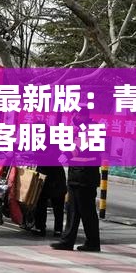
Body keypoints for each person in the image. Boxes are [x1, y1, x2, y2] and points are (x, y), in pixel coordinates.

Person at [50, 107, 101, 252]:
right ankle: (67, 241)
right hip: (75, 175)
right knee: (72, 210)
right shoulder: (78, 129)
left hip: (86, 177)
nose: (75, 118)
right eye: (74, 115)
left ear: (84, 115)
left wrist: (66, 155)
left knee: (87, 211)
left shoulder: (93, 129)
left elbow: (80, 146)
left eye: (77, 115)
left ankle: (93, 243)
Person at [30, 125, 67, 237]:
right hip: (43, 176)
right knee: (40, 202)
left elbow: (49, 157)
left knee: (57, 204)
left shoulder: (53, 142)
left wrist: (33, 155)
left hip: (55, 177)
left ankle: (58, 230)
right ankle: (40, 228)